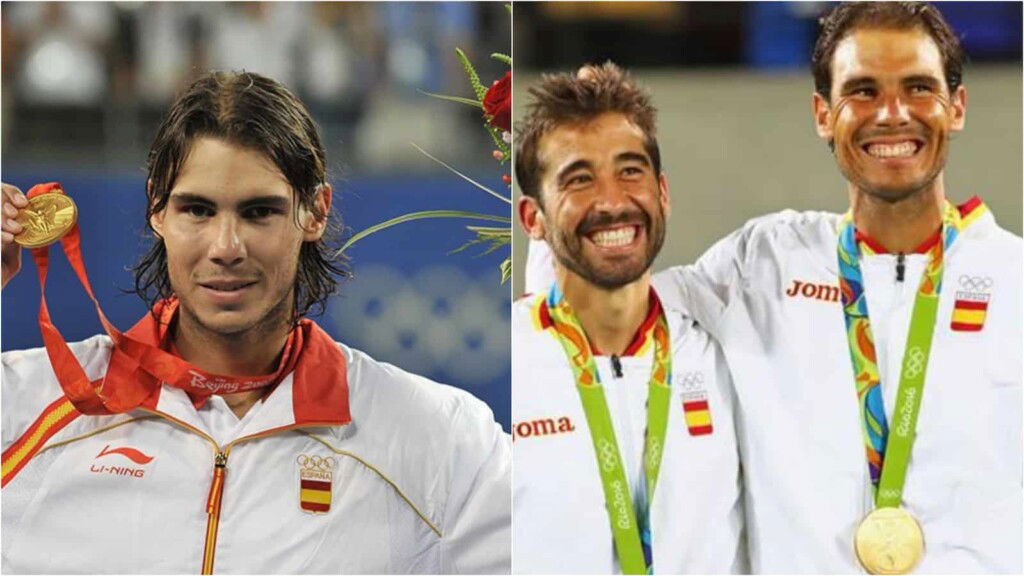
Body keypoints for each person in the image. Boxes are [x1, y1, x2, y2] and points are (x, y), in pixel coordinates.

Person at [1, 71, 511, 574]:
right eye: (198, 210)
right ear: (157, 209)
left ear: (315, 211)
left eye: (259, 212)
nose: (226, 248)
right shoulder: (22, 406)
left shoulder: (440, 442)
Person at [658, 3, 1020, 573]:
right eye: (864, 91)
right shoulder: (760, 267)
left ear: (958, 107)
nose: (893, 114)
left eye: (919, 87)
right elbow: (605, 313)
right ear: (823, 114)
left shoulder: (1015, 279)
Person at [512, 62, 744, 574]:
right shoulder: (507, 372)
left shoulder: (729, 349)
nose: (613, 201)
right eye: (579, 179)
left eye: (630, 171)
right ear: (533, 218)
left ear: (662, 192)